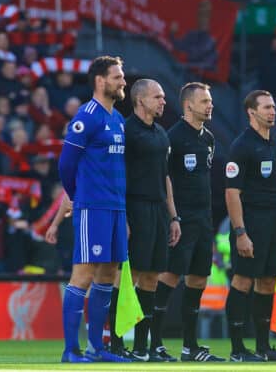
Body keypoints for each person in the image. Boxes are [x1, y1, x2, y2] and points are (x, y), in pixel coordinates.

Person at [57, 55, 130, 363]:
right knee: (83, 275)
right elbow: (65, 164)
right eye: (117, 77)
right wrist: (78, 197)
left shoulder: (117, 119)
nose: (123, 81)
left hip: (115, 208)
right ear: (101, 81)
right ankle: (71, 350)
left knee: (108, 273)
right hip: (92, 208)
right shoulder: (86, 116)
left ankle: (96, 348)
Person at [148, 82, 224, 362]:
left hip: (204, 220)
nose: (210, 105)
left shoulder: (208, 138)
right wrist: (173, 217)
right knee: (169, 276)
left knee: (198, 279)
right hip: (181, 220)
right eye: (204, 101)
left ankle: (190, 347)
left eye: (211, 100)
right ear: (188, 105)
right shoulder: (173, 138)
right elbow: (165, 179)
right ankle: (154, 343)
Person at [108, 79, 181, 362]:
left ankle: (142, 348)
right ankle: (115, 343)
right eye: (158, 97)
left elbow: (165, 177)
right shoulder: (126, 131)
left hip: (158, 211)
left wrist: (173, 216)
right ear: (140, 100)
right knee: (129, 276)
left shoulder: (162, 133)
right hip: (134, 208)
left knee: (152, 276)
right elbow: (118, 176)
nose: (164, 101)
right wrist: (122, 217)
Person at [224, 90, 276, 362]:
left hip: (273, 223)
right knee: (243, 280)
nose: (272, 112)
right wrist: (240, 233)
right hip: (250, 221)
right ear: (251, 112)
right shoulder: (241, 146)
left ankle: (263, 348)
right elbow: (232, 193)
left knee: (267, 283)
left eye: (273, 107)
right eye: (266, 107)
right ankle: (238, 349)